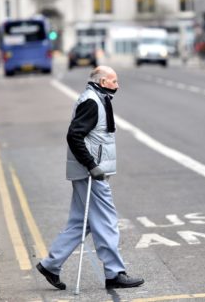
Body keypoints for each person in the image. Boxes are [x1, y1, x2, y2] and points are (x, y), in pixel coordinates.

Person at [36, 66, 144, 290]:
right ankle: (114, 272)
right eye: (114, 81)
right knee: (106, 220)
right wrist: (92, 165)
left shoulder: (97, 97)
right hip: (91, 174)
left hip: (88, 172)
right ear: (103, 81)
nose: (117, 85)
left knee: (80, 222)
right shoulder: (92, 102)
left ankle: (50, 265)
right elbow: (74, 135)